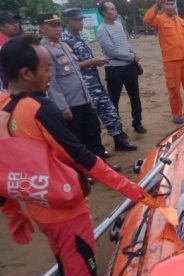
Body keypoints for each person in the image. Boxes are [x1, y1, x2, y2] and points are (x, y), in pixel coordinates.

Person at [0, 34, 150, 276]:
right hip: (66, 211)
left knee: (64, 260)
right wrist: (129, 188)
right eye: (45, 68)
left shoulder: (3, 108)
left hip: (38, 207)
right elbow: (80, 156)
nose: (50, 73)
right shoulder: (39, 108)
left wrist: (12, 210)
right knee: (83, 272)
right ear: (26, 74)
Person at [38, 12, 121, 171]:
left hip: (83, 98)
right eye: (52, 25)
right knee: (78, 139)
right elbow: (52, 82)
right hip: (70, 104)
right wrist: (62, 106)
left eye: (58, 25)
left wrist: (88, 96)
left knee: (93, 133)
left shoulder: (63, 45)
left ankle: (102, 167)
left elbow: (76, 73)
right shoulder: (44, 50)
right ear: (42, 28)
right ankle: (83, 172)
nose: (57, 29)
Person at [61, 8, 138, 152]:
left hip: (96, 83)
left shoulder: (82, 37)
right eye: (76, 20)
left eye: (81, 19)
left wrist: (95, 61)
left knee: (110, 113)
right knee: (92, 122)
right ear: (67, 21)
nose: (80, 22)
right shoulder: (64, 41)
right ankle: (98, 151)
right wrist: (92, 61)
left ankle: (119, 141)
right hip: (82, 87)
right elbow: (69, 67)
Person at [144, 0, 184, 125]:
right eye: (166, 4)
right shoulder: (159, 20)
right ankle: (177, 115)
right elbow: (147, 19)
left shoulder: (181, 21)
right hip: (171, 61)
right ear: (162, 6)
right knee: (174, 89)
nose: (169, 6)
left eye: (171, 4)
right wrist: (156, 5)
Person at [97, 1, 147, 134]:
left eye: (114, 9)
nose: (115, 11)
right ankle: (117, 128)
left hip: (129, 68)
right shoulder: (102, 30)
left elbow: (125, 43)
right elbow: (111, 51)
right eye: (112, 9)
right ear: (104, 13)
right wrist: (131, 57)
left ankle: (137, 122)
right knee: (114, 100)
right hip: (114, 69)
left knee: (135, 97)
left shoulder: (119, 25)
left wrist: (133, 53)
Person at [0, 11, 20, 89]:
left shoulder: (11, 40)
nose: (15, 25)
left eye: (15, 22)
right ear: (1, 26)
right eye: (11, 23)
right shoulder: (3, 42)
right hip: (8, 86)